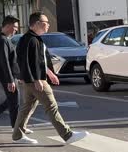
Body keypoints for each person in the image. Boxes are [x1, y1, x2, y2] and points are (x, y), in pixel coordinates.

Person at [12, 12, 89, 144]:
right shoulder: (30, 39)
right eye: (45, 22)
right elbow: (24, 62)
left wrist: (49, 73)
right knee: (51, 105)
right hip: (36, 80)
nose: (48, 25)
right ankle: (67, 135)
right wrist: (36, 79)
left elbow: (39, 61)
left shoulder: (33, 38)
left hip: (33, 80)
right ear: (36, 24)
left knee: (27, 107)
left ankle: (18, 135)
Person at [0, 16, 35, 134]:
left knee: (13, 99)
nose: (16, 30)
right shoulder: (2, 40)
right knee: (15, 101)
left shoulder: (5, 39)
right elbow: (5, 61)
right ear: (7, 26)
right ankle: (16, 128)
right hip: (7, 75)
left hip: (11, 75)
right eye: (15, 27)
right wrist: (10, 80)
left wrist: (18, 77)